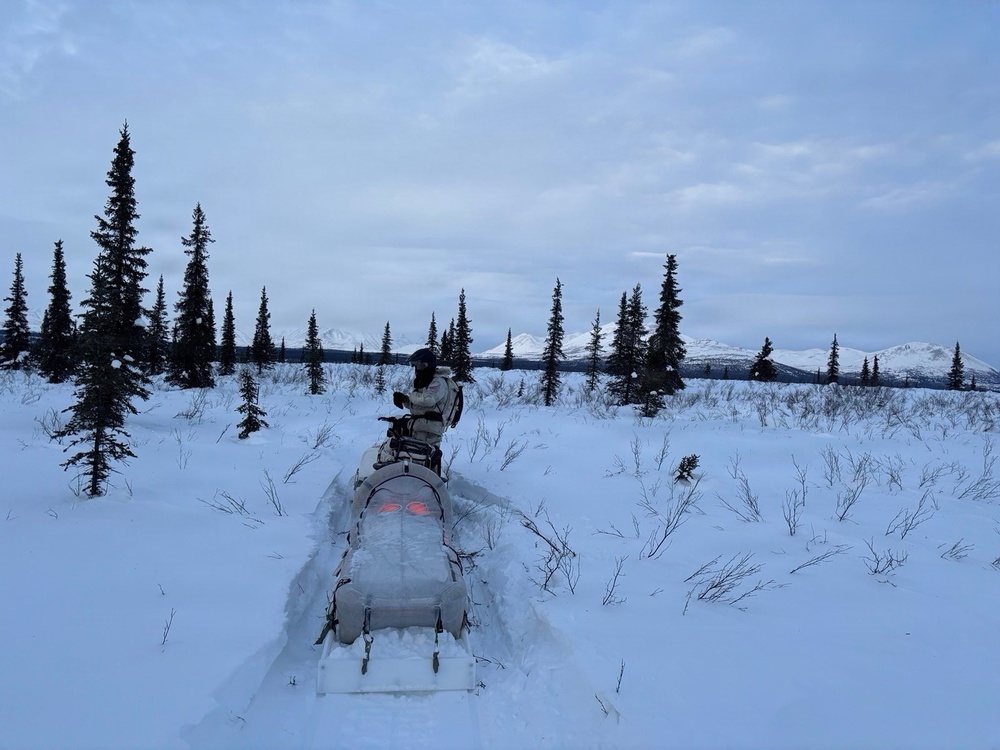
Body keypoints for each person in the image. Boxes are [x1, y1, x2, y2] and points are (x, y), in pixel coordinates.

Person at [392, 348, 454, 451]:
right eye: (415, 365)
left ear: (428, 365)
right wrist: (404, 399)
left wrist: (412, 395)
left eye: (420, 365)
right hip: (421, 425)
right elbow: (420, 406)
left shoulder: (438, 382)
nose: (417, 368)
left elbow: (428, 400)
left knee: (419, 455)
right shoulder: (427, 381)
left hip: (429, 430)